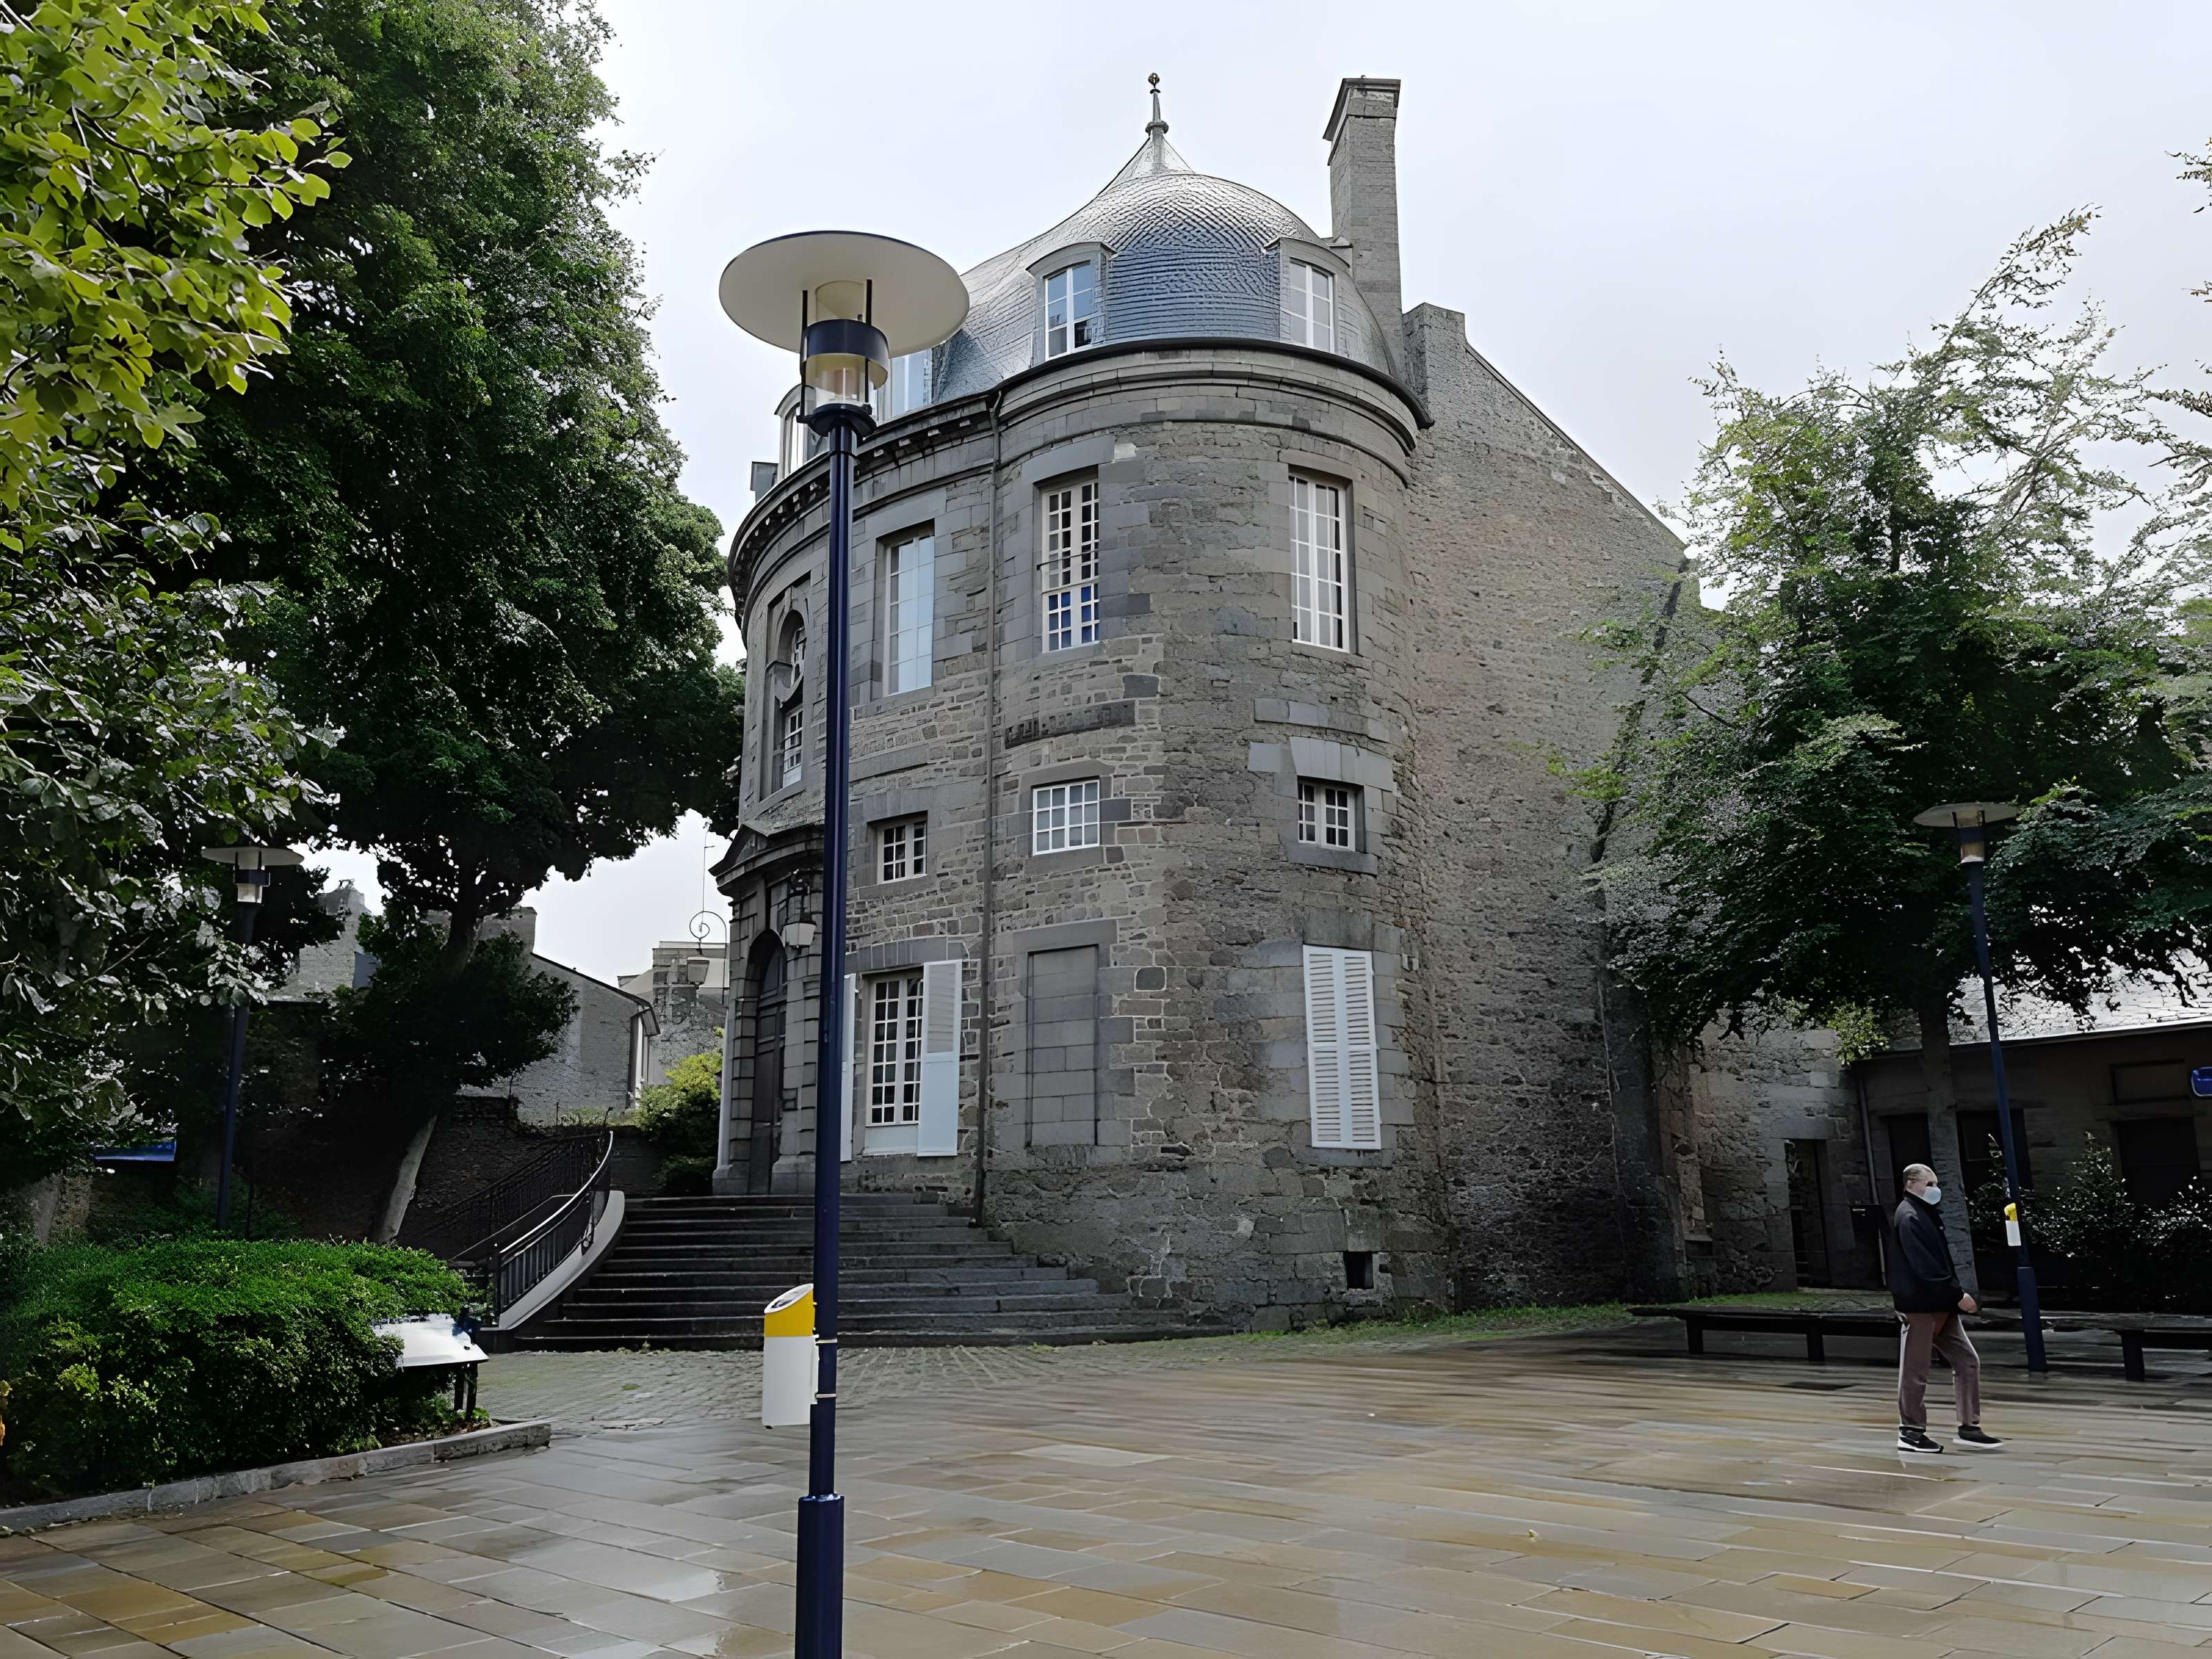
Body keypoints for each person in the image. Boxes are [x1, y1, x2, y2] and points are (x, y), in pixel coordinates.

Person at [1889, 1162, 2003, 1454]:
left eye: (1936, 1184)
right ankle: (1910, 1432)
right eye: (1929, 1184)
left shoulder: (1923, 1213)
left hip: (1939, 1304)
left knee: (1967, 1360)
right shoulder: (1910, 1216)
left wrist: (1951, 1296)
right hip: (1920, 1305)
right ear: (1911, 1184)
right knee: (1915, 1370)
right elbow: (1925, 1266)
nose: (1935, 1189)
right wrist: (1957, 1295)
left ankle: (1969, 1427)